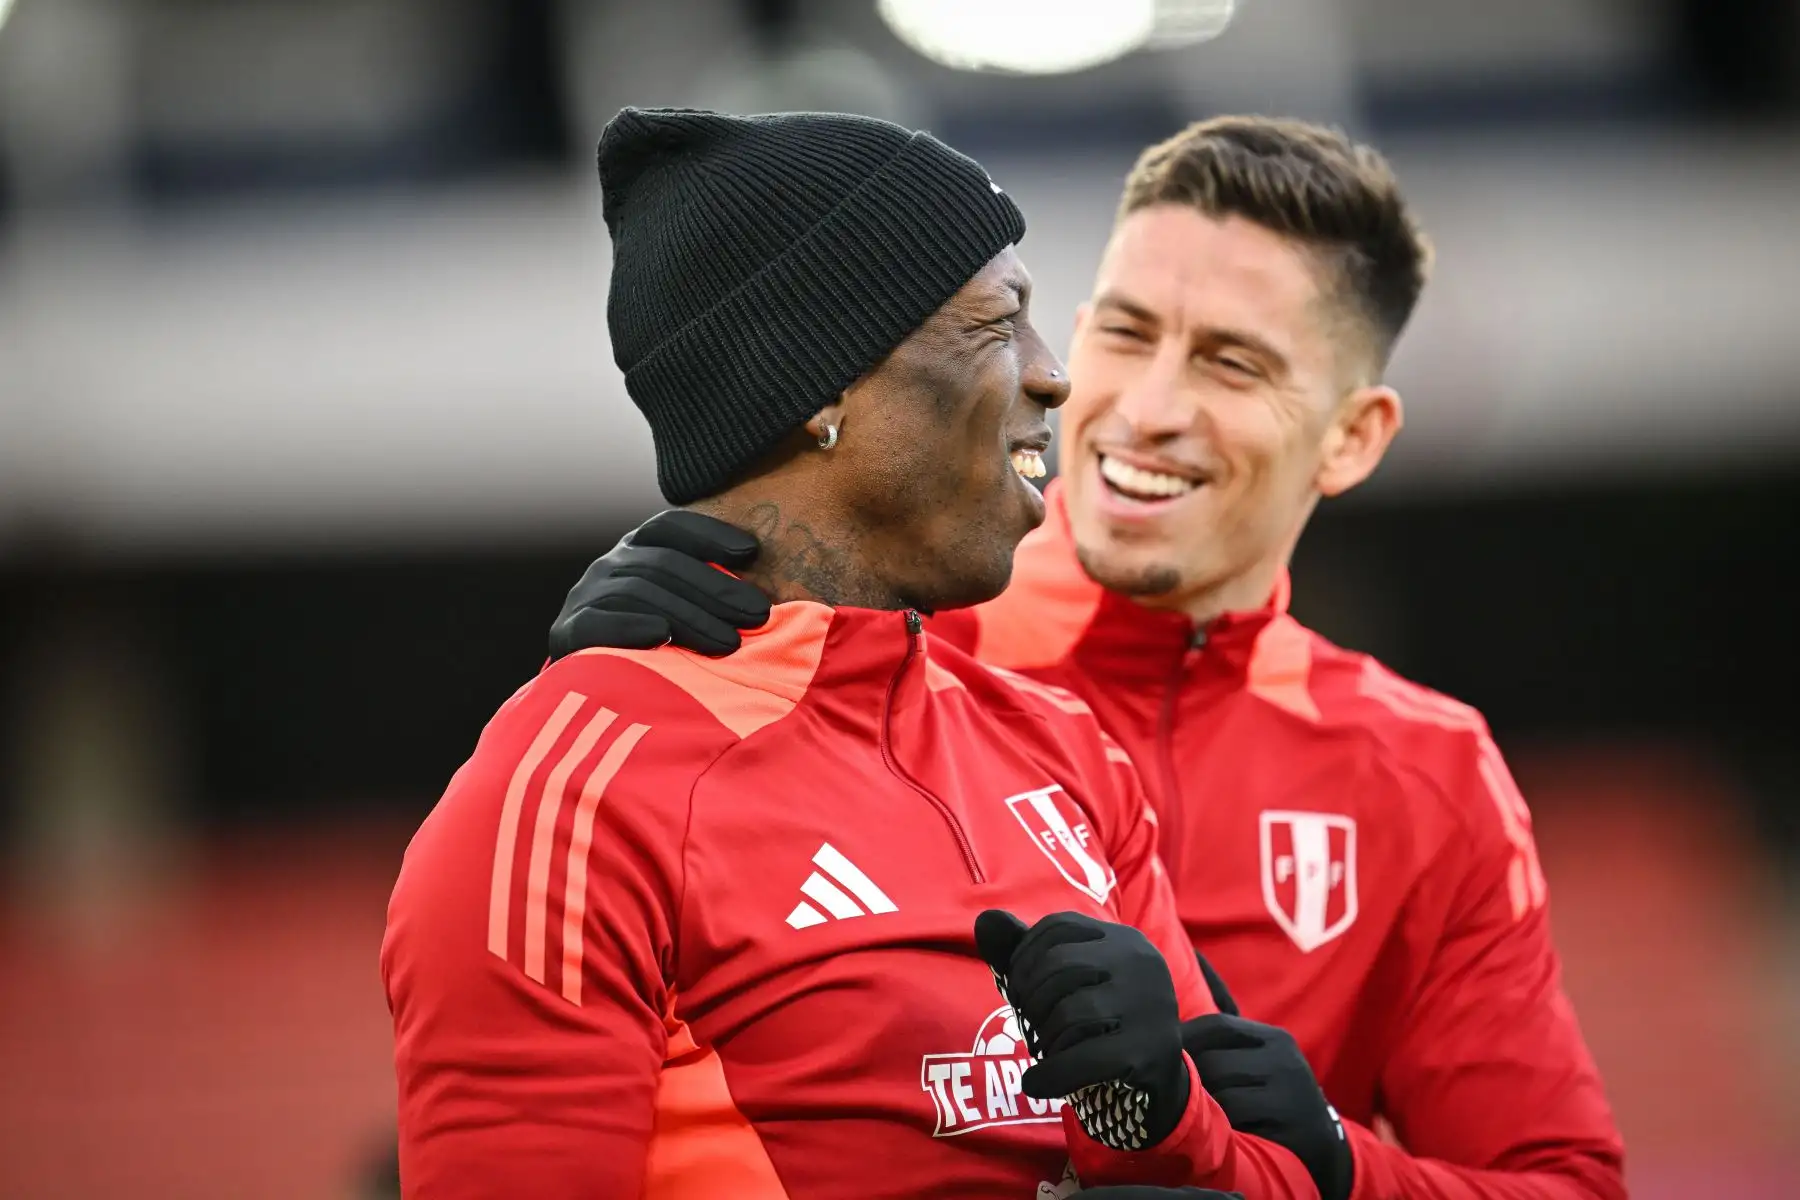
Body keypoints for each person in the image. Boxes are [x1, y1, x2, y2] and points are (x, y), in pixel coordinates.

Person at [546, 116, 1628, 1200]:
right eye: (1124, 333)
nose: (1146, 411)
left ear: (1351, 436)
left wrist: (1339, 1172)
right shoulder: (880, 653)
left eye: (1232, 363)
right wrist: (642, 677)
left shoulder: (1425, 777)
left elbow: (1568, 1186)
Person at [383, 106, 1322, 1200]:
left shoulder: (1061, 751)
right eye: (993, 325)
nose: (1054, 375)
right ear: (819, 386)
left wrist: (1153, 1120)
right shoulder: (572, 799)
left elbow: (1251, 1175)